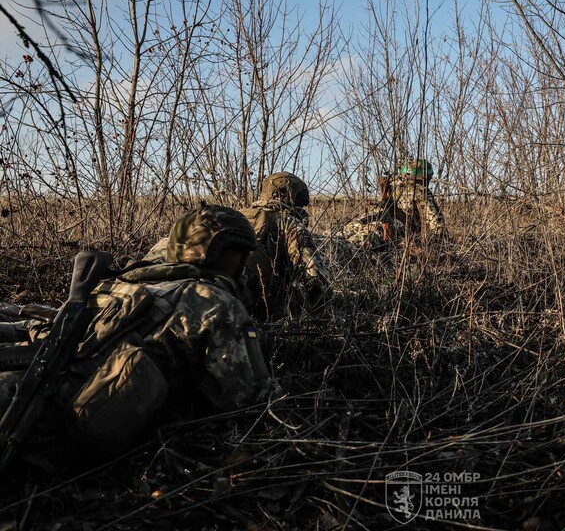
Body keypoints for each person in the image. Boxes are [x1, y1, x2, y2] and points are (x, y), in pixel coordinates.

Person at [0, 205, 268, 456]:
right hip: (52, 415)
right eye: (238, 254)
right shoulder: (216, 302)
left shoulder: (123, 282)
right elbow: (248, 399)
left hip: (33, 379)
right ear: (219, 253)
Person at [239, 172, 332, 321]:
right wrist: (324, 310)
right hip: (257, 307)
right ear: (293, 198)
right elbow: (313, 274)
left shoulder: (238, 215)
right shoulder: (288, 222)